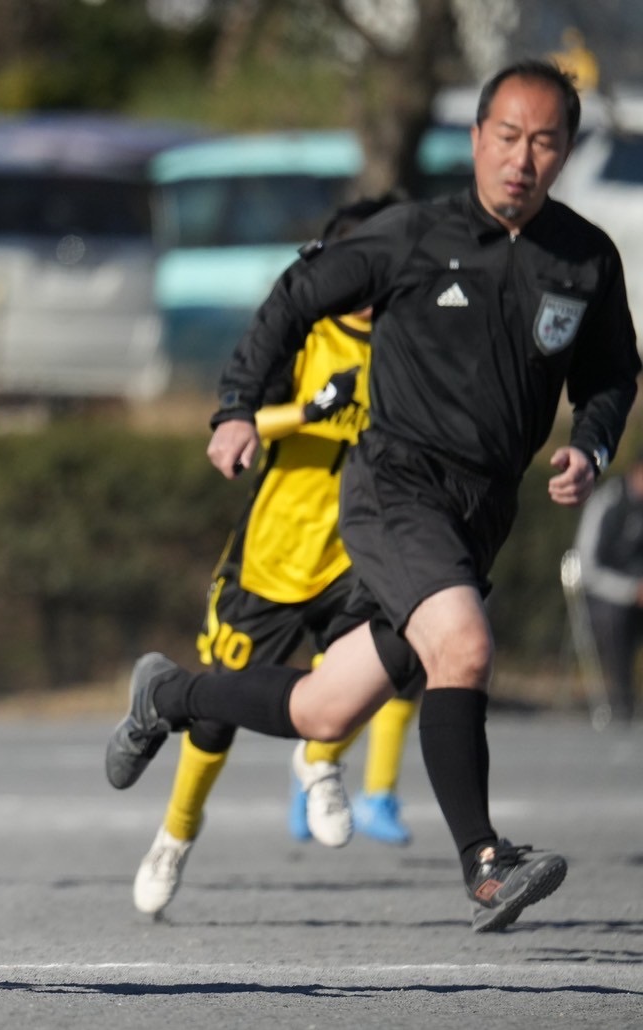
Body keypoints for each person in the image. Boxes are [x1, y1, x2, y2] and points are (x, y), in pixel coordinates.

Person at [107, 59, 638, 933]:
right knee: (461, 647)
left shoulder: (584, 261)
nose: (522, 159)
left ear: (567, 150)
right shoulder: (414, 236)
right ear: (475, 140)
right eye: (506, 137)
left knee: (323, 706)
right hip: (396, 489)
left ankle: (167, 696)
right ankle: (485, 864)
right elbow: (295, 297)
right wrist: (237, 405)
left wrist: (590, 442)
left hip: (479, 516)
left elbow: (613, 373)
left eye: (544, 142)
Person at [133, 197, 419, 918]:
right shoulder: (301, 334)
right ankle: (175, 835)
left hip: (353, 556)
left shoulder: (409, 346)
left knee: (395, 654)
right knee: (215, 713)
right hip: (269, 559)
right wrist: (309, 412)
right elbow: (240, 421)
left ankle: (320, 761)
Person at [570, 452, 643, 729]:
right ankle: (621, 700)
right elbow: (587, 568)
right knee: (613, 618)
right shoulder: (608, 503)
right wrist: (631, 590)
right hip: (606, 598)